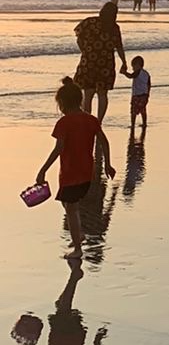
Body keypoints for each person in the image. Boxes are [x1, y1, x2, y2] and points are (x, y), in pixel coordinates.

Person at [34, 77, 115, 261]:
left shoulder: (64, 123)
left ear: (62, 103)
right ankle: (78, 234)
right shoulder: (91, 120)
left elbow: (59, 148)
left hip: (70, 174)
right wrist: (108, 164)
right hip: (87, 173)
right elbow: (104, 141)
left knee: (71, 208)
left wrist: (43, 170)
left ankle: (78, 247)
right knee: (70, 204)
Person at [72, 0, 128, 124]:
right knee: (102, 94)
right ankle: (99, 122)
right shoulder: (114, 27)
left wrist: (84, 50)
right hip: (106, 63)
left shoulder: (91, 22)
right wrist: (124, 62)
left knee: (88, 93)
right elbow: (119, 46)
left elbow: (78, 35)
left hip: (89, 61)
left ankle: (86, 120)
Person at [121, 54, 151, 133]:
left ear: (138, 65)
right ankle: (144, 123)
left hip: (137, 95)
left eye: (133, 66)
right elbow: (149, 84)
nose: (133, 68)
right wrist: (148, 94)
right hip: (144, 94)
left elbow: (131, 76)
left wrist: (124, 73)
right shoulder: (146, 73)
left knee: (133, 110)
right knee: (143, 110)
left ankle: (133, 124)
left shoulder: (138, 72)